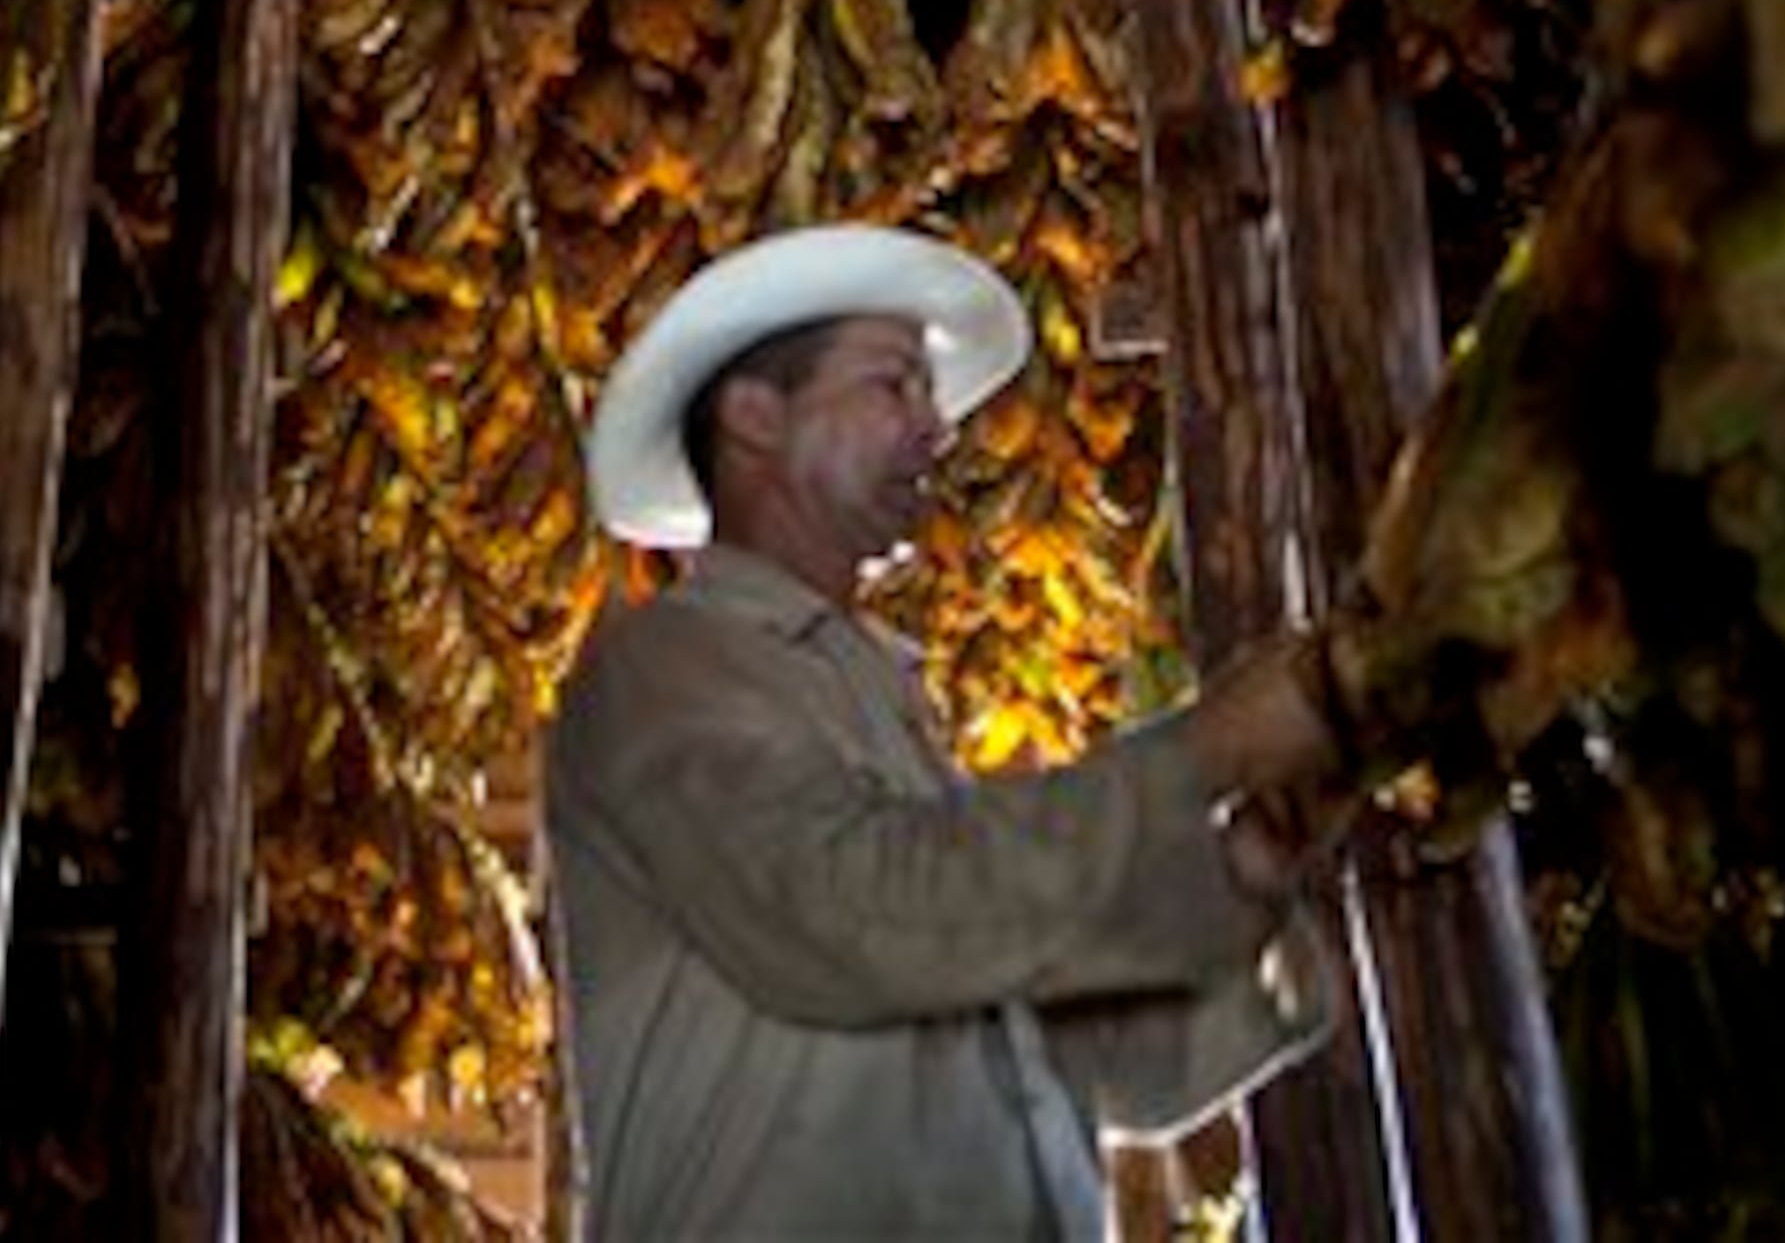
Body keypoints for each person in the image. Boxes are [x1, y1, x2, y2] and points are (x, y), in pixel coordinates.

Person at [544, 223, 1353, 1241]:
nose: (938, 429)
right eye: (895, 386)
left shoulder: (881, 701)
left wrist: (1248, 867)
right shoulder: (663, 668)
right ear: (755, 414)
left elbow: (1098, 1075)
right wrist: (1205, 750)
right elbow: (857, 919)